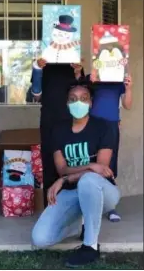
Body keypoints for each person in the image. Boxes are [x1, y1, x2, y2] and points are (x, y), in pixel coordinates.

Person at [32, 84, 120, 267]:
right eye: (73, 99)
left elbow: (101, 170)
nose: (78, 102)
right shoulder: (58, 130)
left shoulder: (103, 127)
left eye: (83, 98)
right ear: (67, 103)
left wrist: (66, 179)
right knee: (40, 239)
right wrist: (89, 165)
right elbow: (62, 168)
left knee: (88, 180)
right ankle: (76, 223)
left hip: (103, 192)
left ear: (91, 102)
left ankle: (90, 246)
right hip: (72, 194)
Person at [31, 58, 84, 207]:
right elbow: (36, 95)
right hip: (49, 121)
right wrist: (37, 69)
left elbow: (84, 93)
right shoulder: (43, 63)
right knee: (49, 164)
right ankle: (50, 209)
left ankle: (74, 209)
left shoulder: (74, 62)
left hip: (72, 121)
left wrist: (78, 72)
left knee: (73, 163)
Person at [88, 73, 132, 223]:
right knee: (92, 160)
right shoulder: (93, 78)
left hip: (112, 125)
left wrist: (129, 87)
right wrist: (87, 79)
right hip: (92, 124)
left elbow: (127, 105)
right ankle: (90, 203)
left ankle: (110, 207)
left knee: (110, 164)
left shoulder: (119, 79)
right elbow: (80, 95)